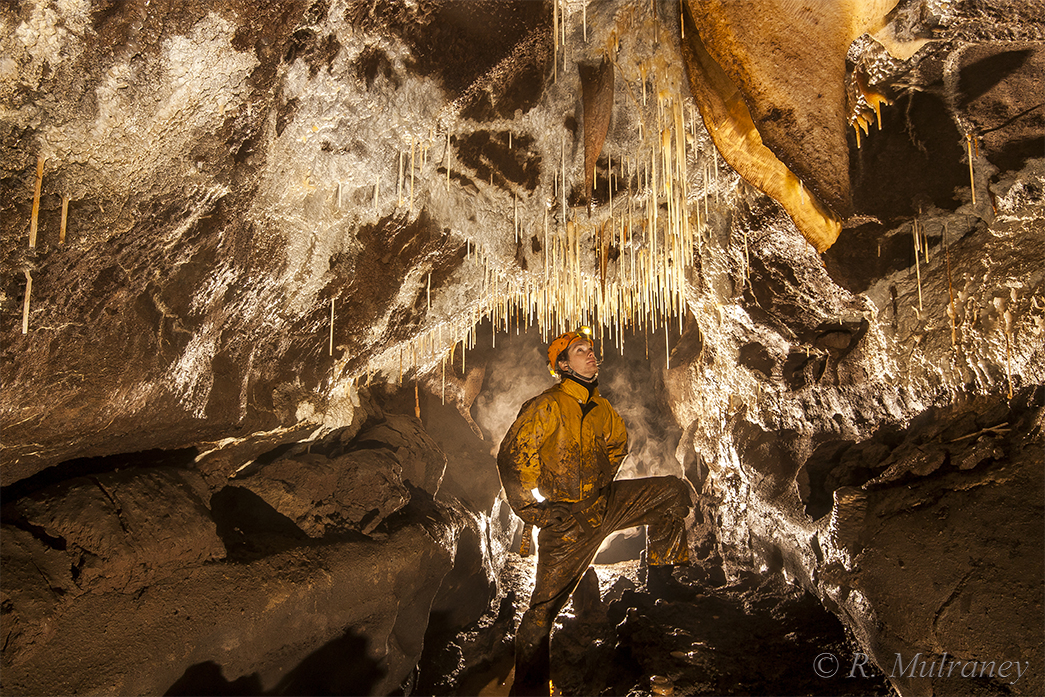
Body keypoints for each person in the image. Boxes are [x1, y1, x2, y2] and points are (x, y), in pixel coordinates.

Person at [497, 328, 693, 696]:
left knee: (671, 492)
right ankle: (529, 687)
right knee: (541, 614)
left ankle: (663, 580)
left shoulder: (601, 407)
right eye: (582, 351)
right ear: (563, 364)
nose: (592, 356)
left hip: (606, 503)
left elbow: (619, 443)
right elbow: (512, 458)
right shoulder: (547, 405)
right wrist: (535, 510)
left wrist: (602, 478)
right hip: (568, 521)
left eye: (592, 350)